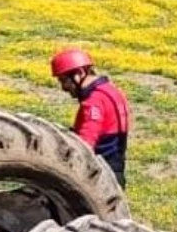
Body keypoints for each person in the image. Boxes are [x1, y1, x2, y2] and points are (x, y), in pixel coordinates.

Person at [51, 48, 131, 188]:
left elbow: (85, 144)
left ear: (79, 73)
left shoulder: (94, 101)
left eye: (64, 80)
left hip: (101, 174)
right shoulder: (112, 90)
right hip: (116, 167)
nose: (63, 88)